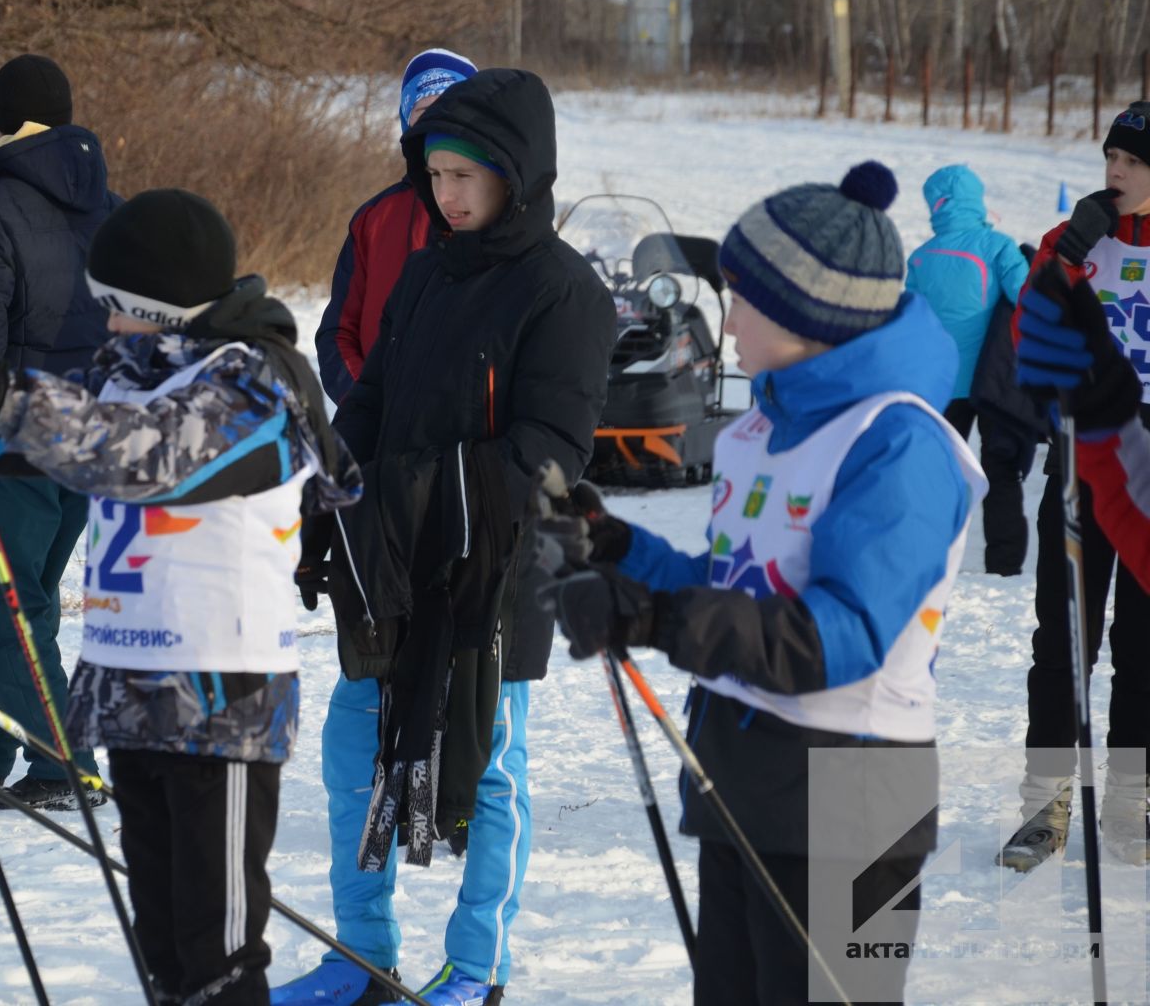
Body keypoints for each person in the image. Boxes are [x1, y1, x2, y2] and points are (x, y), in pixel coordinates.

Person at [0, 188, 359, 1006]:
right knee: (166, 953)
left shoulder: (255, 389)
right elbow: (22, 437)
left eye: (117, 308)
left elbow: (134, 455)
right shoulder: (128, 373)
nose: (104, 326)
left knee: (219, 957)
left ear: (166, 310)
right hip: (133, 700)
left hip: (222, 706)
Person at [541, 162, 981, 1006]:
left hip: (859, 795)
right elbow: (734, 585)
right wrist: (613, 548)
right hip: (743, 767)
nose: (726, 316)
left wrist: (655, 617)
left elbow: (837, 638)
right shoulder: (760, 430)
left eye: (744, 298)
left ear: (811, 316)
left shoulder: (900, 446)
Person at [276, 68, 615, 1006]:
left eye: (468, 176)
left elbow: (553, 450)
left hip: (494, 573)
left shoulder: (564, 292)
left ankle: (477, 967)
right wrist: (336, 483)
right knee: (353, 754)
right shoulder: (428, 269)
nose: (447, 195)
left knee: (491, 771)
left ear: (519, 173)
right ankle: (363, 956)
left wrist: (429, 491)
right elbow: (375, 394)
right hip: (393, 561)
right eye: (435, 175)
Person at [0, 53, 117, 808]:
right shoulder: (110, 202)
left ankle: (63, 762)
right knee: (27, 598)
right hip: (92, 433)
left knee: (4, 607)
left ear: (0, 116)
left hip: (15, 438)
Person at [1000, 100, 1150, 871]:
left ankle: (1131, 801)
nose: (1114, 173)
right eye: (1110, 160)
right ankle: (1046, 805)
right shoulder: (1074, 239)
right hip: (1080, 462)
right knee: (1063, 638)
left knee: (1144, 646)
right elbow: (1030, 329)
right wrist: (1069, 254)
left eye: (1130, 162)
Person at [314, 48, 476, 403]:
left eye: (449, 109)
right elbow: (338, 333)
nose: (436, 123)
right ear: (406, 120)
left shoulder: (498, 212)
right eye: (422, 111)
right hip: (382, 431)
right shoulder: (374, 218)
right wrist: (366, 406)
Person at [904, 164, 1035, 573]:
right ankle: (1005, 563)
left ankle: (928, 556)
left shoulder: (921, 258)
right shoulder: (996, 246)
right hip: (994, 383)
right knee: (1001, 472)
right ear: (976, 200)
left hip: (942, 384)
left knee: (940, 474)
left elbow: (911, 319)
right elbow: (1025, 295)